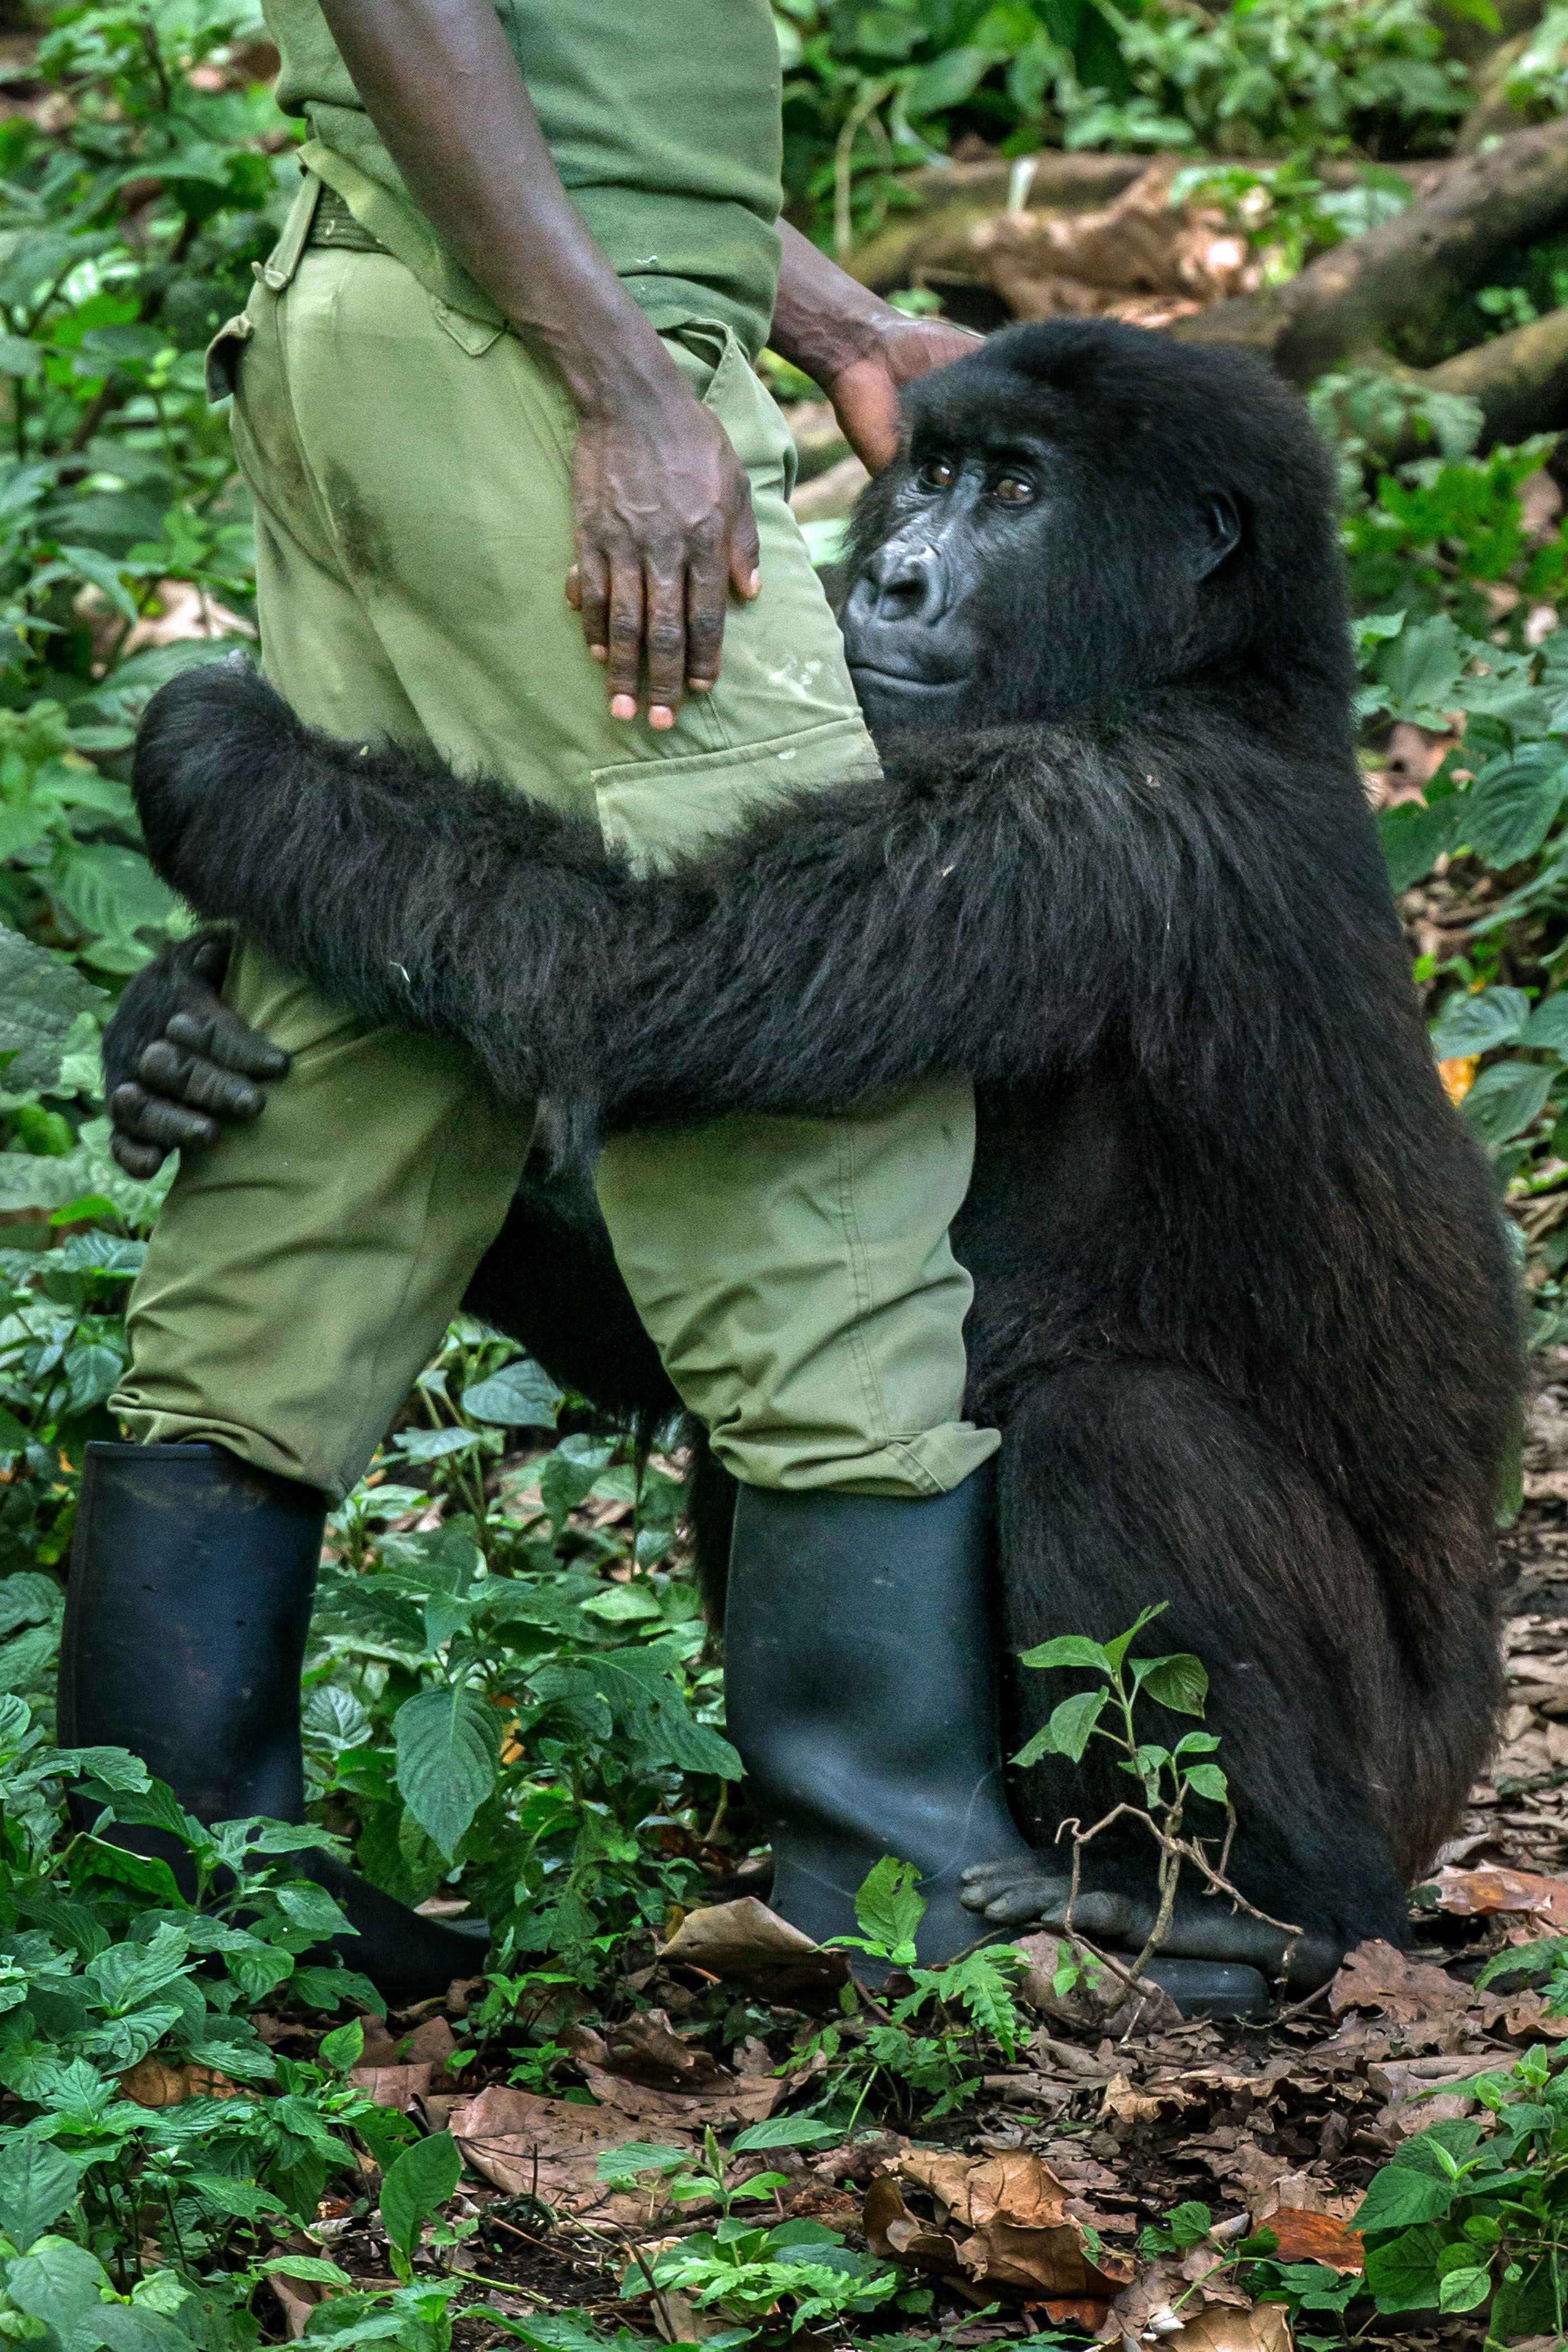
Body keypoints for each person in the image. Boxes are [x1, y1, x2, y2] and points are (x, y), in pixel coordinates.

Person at [62, 0, 1035, 1993]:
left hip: (393, 322)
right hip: (523, 360)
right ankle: (896, 1893)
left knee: (343, 1066)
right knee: (818, 1098)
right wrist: (616, 382)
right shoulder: (579, 371)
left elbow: (585, 90)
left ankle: (178, 1893)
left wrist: (834, 325)